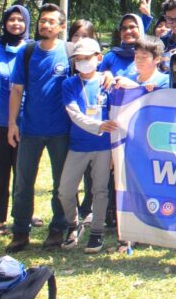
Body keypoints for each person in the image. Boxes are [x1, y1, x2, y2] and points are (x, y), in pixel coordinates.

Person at [6, 3, 72, 252]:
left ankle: (58, 228)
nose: (45, 25)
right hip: (30, 129)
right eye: (42, 20)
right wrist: (12, 123)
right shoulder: (28, 52)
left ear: (61, 27)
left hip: (61, 130)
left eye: (51, 21)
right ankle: (20, 231)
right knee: (23, 183)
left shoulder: (69, 52)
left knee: (61, 184)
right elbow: (17, 90)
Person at [59, 37, 115, 254]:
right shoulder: (69, 84)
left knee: (100, 190)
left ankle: (97, 232)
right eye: (78, 59)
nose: (82, 63)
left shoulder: (109, 82)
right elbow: (74, 114)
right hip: (78, 146)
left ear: (98, 58)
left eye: (86, 58)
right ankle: (73, 224)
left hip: (103, 147)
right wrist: (99, 125)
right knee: (65, 190)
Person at [0, 4, 30, 236]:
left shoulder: (32, 49)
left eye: (20, 20)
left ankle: (23, 214)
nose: (15, 24)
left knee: (23, 172)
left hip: (26, 121)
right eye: (11, 19)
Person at [99, 14, 140, 80]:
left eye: (132, 27)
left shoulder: (149, 56)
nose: (128, 31)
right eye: (124, 28)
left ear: (140, 29)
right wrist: (105, 74)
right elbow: (99, 85)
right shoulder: (110, 57)